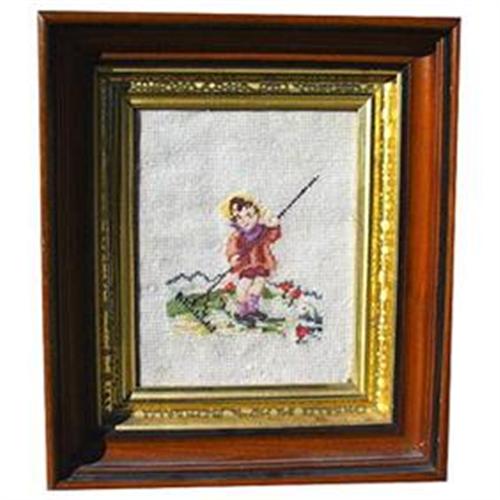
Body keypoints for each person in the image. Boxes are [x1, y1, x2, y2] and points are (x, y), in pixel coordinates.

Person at [219, 193, 281, 327]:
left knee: (259, 284)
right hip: (246, 264)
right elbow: (231, 248)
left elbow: (274, 236)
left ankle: (253, 310)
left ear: (258, 215)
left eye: (249, 215)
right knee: (244, 286)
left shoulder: (263, 231)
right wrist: (233, 256)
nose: (245, 220)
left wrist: (274, 225)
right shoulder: (238, 235)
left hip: (261, 262)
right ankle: (242, 312)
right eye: (239, 218)